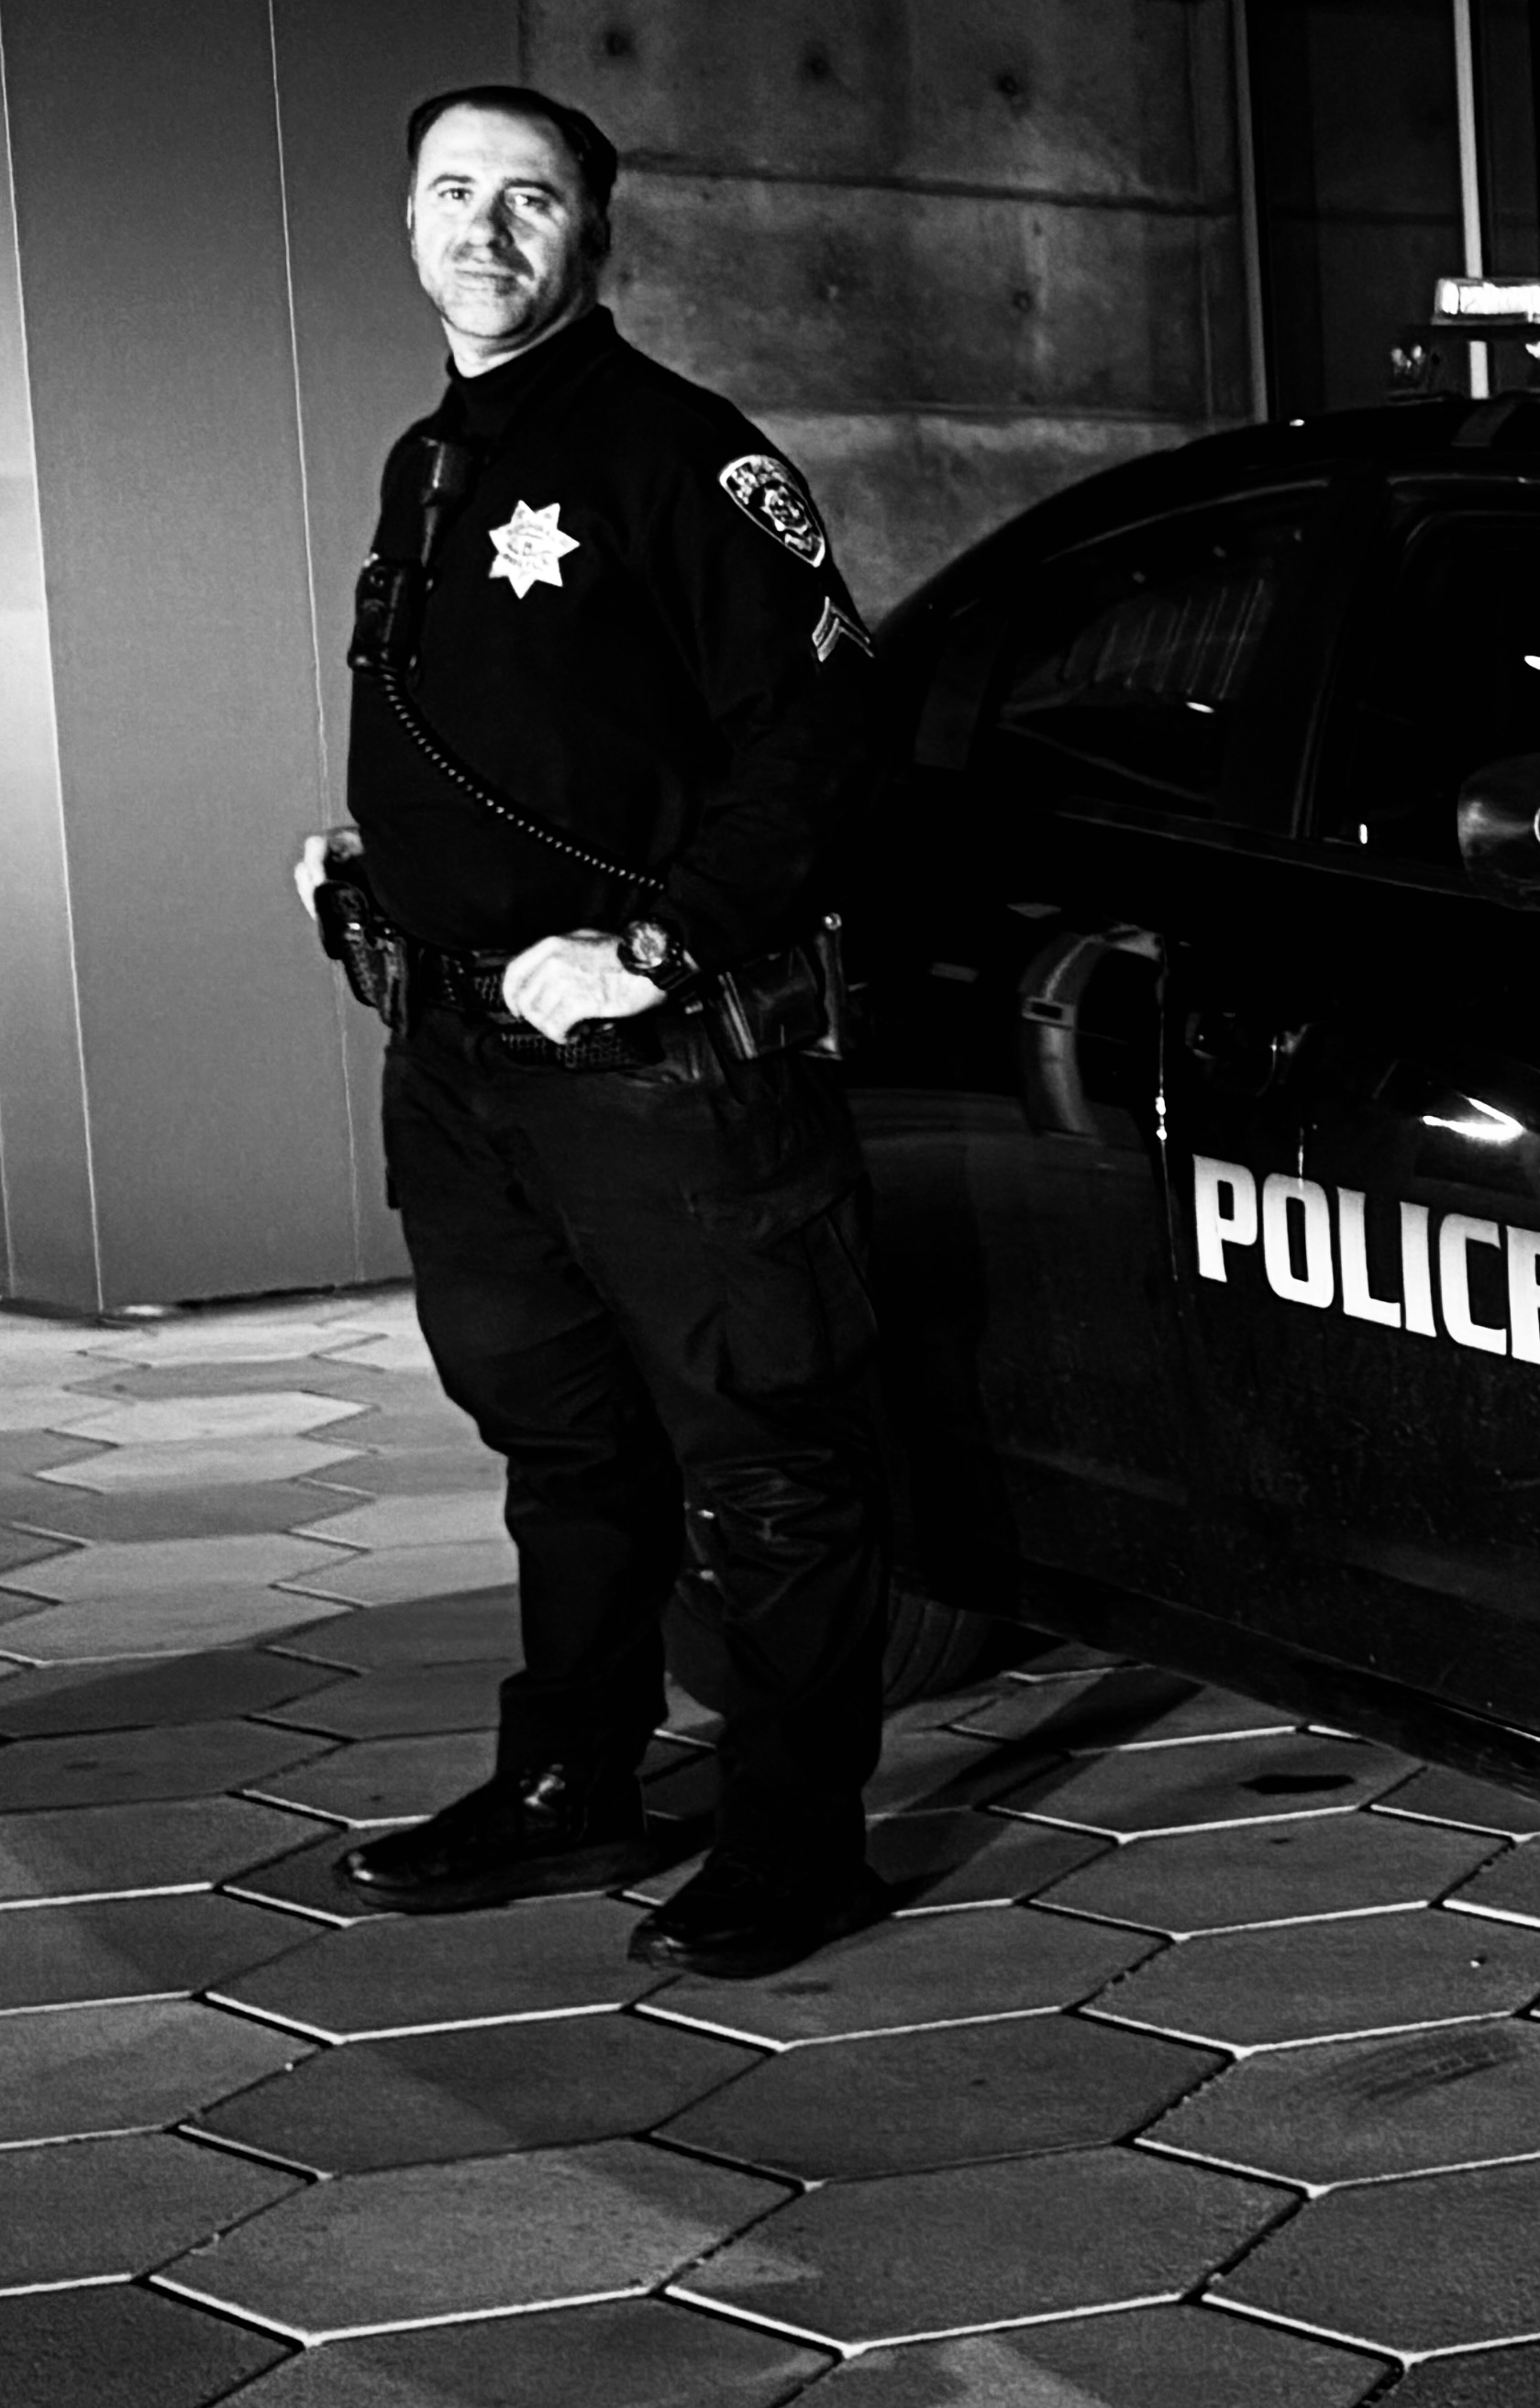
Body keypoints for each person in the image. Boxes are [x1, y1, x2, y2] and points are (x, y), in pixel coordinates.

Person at [291, 84, 895, 1978]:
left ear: (594, 235)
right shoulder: (432, 456)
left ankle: (797, 1841)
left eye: (528, 199)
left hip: (660, 1064)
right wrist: (375, 864)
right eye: (452, 194)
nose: (485, 229)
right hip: (462, 1063)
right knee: (559, 1440)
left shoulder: (681, 454)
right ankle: (575, 1780)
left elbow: (821, 739)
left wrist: (663, 934)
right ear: (406, 225)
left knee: (767, 1455)